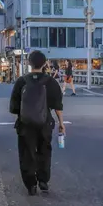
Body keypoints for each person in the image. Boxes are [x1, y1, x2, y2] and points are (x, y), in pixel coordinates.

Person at [9, 50, 65, 195]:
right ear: (45, 63)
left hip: (25, 124)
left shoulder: (22, 81)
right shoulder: (51, 82)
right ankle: (43, 180)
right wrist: (61, 123)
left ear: (29, 63)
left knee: (26, 153)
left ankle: (31, 185)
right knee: (44, 151)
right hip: (45, 123)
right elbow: (58, 105)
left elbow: (13, 108)